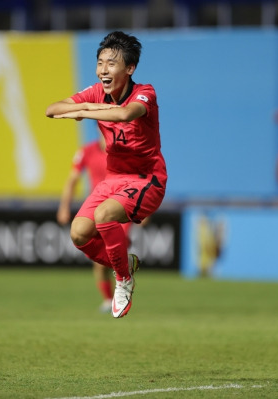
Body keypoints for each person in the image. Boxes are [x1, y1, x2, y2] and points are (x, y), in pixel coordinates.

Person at [46, 31, 167, 318]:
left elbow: (125, 114)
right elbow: (52, 110)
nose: (103, 69)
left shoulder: (145, 93)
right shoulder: (96, 92)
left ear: (130, 68)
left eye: (112, 63)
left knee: (103, 216)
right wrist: (86, 105)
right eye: (100, 62)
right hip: (113, 180)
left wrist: (85, 109)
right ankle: (127, 265)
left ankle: (123, 281)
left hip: (146, 179)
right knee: (78, 234)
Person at [57, 135, 132, 314]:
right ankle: (109, 298)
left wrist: (144, 209)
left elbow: (140, 178)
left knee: (112, 253)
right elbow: (72, 179)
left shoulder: (123, 150)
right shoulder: (86, 151)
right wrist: (64, 206)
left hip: (120, 208)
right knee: (102, 260)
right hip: (95, 209)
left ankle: (120, 290)